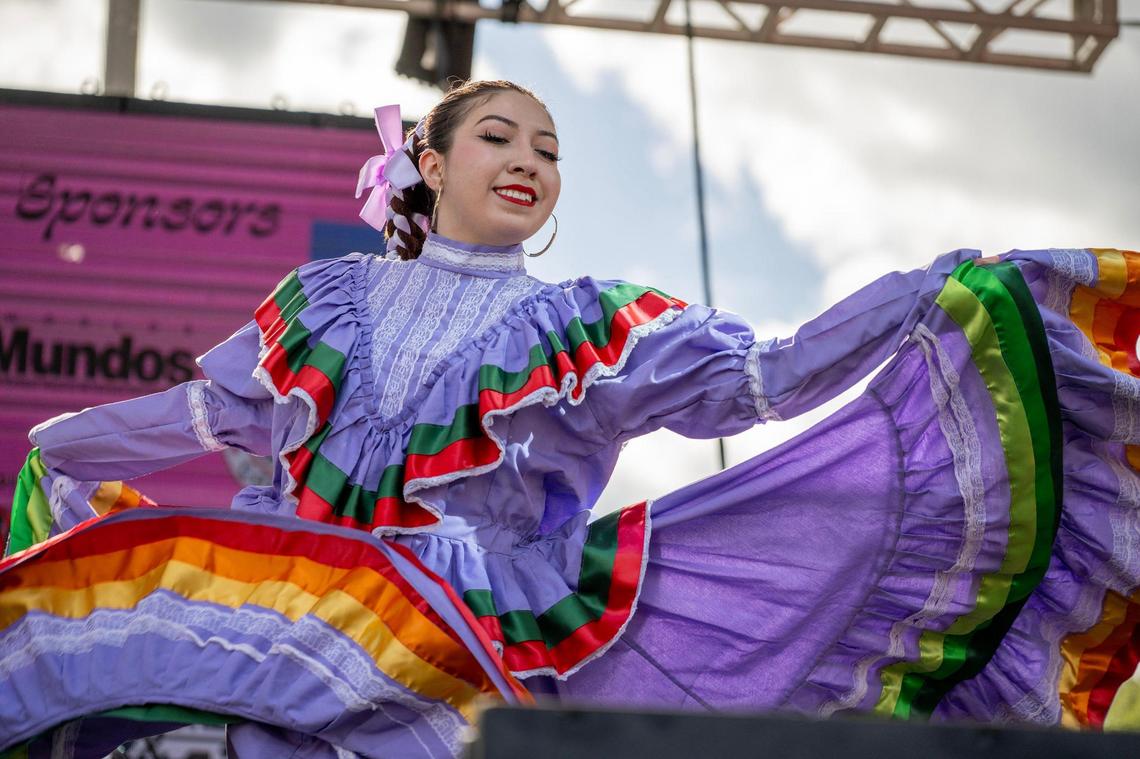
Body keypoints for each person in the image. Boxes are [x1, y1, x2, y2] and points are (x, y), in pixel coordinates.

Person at [2, 78, 1138, 758]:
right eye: (499, 137)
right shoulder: (322, 300)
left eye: (548, 149)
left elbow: (768, 376)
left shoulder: (584, 323)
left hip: (466, 627)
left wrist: (914, 299)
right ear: (429, 163)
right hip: (279, 589)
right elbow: (210, 410)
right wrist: (65, 446)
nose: (529, 160)